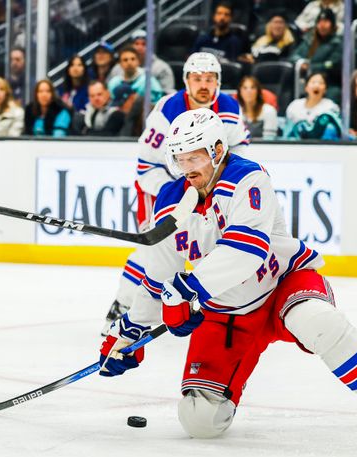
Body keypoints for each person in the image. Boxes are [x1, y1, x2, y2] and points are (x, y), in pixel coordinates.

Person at [98, 106, 357, 450]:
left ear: (218, 150)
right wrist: (128, 332)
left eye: (194, 158)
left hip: (282, 284)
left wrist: (187, 291)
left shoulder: (248, 178)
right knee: (199, 421)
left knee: (317, 321)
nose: (186, 168)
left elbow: (246, 250)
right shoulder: (169, 203)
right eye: (180, 159)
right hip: (226, 314)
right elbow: (157, 277)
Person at [102, 52, 250, 333]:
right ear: (186, 81)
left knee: (211, 244)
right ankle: (122, 306)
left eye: (209, 79)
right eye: (197, 79)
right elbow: (146, 167)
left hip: (208, 188)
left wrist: (219, 185)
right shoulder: (167, 111)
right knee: (154, 247)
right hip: (165, 187)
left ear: (218, 82)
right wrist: (179, 195)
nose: (203, 85)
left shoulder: (230, 108)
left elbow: (238, 149)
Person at [290, 8, 342, 97]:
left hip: (329, 83)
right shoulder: (310, 40)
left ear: (332, 25)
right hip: (307, 82)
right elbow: (294, 56)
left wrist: (310, 66)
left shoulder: (337, 43)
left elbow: (332, 64)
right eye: (320, 22)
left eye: (326, 22)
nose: (322, 25)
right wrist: (301, 63)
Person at [109, 29, 175, 94]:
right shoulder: (117, 69)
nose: (140, 47)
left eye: (144, 44)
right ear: (130, 46)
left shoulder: (162, 68)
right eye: (136, 44)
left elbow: (168, 94)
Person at [284, 72, 341, 140]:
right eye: (313, 82)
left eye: (321, 83)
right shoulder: (295, 105)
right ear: (306, 87)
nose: (316, 85)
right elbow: (287, 130)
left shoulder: (330, 107)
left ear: (325, 89)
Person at [237, 75, 278, 139]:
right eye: (245, 88)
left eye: (252, 87)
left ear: (258, 91)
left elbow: (269, 140)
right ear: (240, 92)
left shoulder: (269, 111)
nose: (249, 91)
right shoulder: (236, 111)